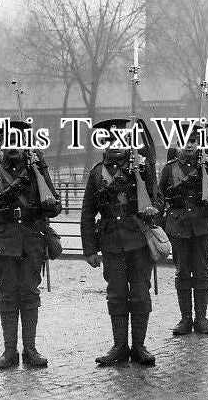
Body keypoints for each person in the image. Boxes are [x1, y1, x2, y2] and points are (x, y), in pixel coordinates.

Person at [0, 120, 61, 369]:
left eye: (18, 142)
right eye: (8, 141)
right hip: (3, 244)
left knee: (30, 294)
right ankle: (10, 352)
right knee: (7, 295)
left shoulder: (37, 172)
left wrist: (50, 204)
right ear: (0, 144)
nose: (13, 147)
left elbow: (56, 206)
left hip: (32, 241)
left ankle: (30, 350)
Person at [80, 118, 160, 366]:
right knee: (116, 295)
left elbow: (157, 200)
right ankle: (119, 346)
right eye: (109, 141)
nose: (115, 145)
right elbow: (87, 212)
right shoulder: (96, 174)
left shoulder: (141, 168)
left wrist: (143, 175)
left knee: (139, 293)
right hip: (111, 243)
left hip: (138, 241)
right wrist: (90, 249)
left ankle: (139, 346)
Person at [158, 122, 208, 336]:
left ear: (198, 143)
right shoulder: (169, 168)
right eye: (184, 142)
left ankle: (201, 318)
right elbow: (159, 196)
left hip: (202, 225)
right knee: (182, 271)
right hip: (178, 226)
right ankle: (185, 319)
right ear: (177, 144)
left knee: (202, 271)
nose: (189, 146)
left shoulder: (207, 166)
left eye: (193, 141)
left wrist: (207, 167)